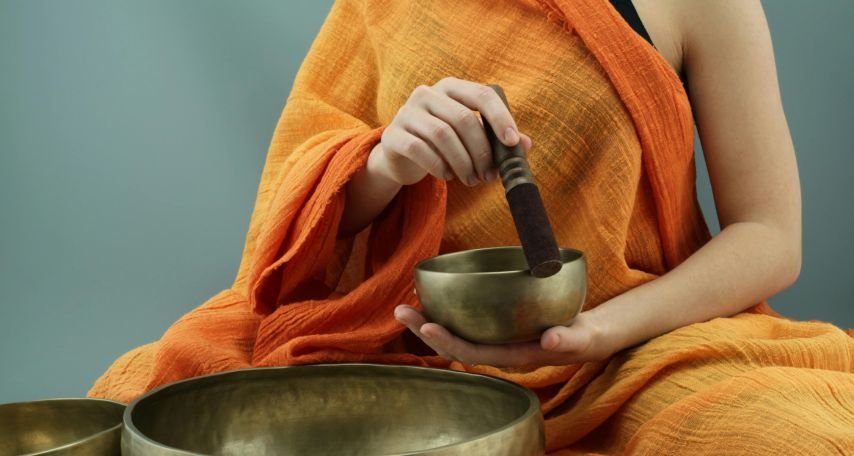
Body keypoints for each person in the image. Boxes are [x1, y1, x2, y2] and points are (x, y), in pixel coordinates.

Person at [91, 0, 854, 453]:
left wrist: (598, 331)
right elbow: (293, 223)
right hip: (395, 341)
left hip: (627, 352)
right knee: (142, 394)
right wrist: (386, 160)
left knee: (783, 438)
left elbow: (769, 235)